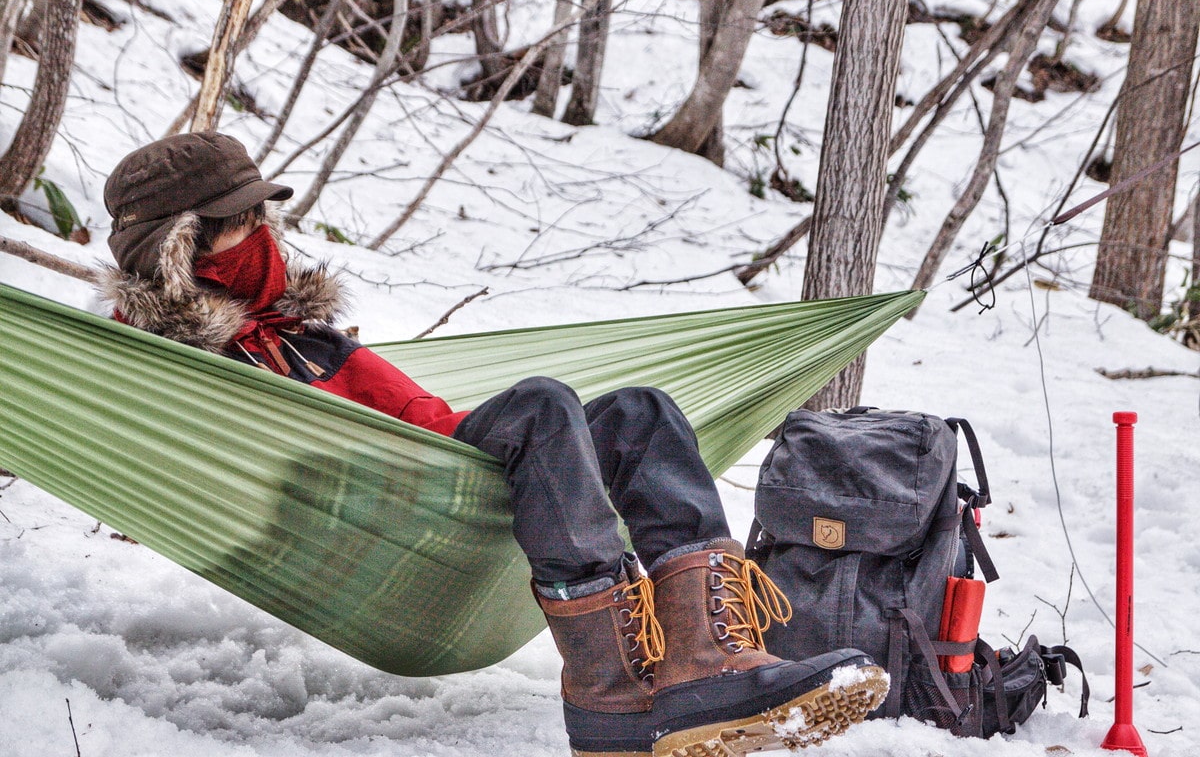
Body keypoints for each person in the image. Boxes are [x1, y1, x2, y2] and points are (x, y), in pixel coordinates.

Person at [99, 132, 888, 756]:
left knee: (639, 413)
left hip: (422, 483)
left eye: (262, 215)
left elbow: (426, 422)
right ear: (182, 245)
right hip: (349, 527)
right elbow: (139, 427)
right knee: (544, 406)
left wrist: (534, 450)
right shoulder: (169, 367)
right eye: (241, 221)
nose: (263, 233)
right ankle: (607, 691)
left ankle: (705, 659)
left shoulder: (302, 334)